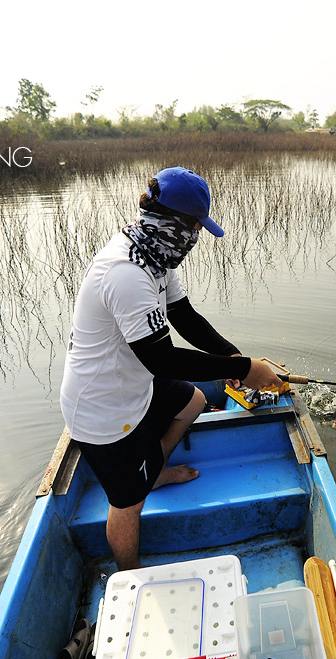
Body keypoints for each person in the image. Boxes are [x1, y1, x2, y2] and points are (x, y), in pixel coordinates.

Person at [59, 166, 281, 570]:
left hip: (133, 382)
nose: (196, 238)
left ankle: (154, 471)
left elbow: (187, 318)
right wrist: (247, 369)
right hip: (103, 408)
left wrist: (238, 360)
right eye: (195, 227)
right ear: (174, 222)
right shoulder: (126, 273)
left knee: (193, 401)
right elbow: (161, 358)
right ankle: (130, 575)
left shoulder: (156, 257)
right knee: (128, 503)